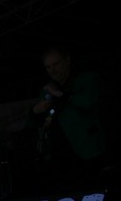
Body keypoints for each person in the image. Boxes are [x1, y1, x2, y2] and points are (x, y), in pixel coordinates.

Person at [28, 45, 106, 192]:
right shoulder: (47, 90)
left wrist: (60, 94)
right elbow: (33, 122)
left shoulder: (86, 79)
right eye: (48, 67)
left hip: (86, 151)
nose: (52, 70)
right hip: (58, 156)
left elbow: (88, 102)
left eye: (56, 64)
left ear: (67, 60)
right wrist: (35, 111)